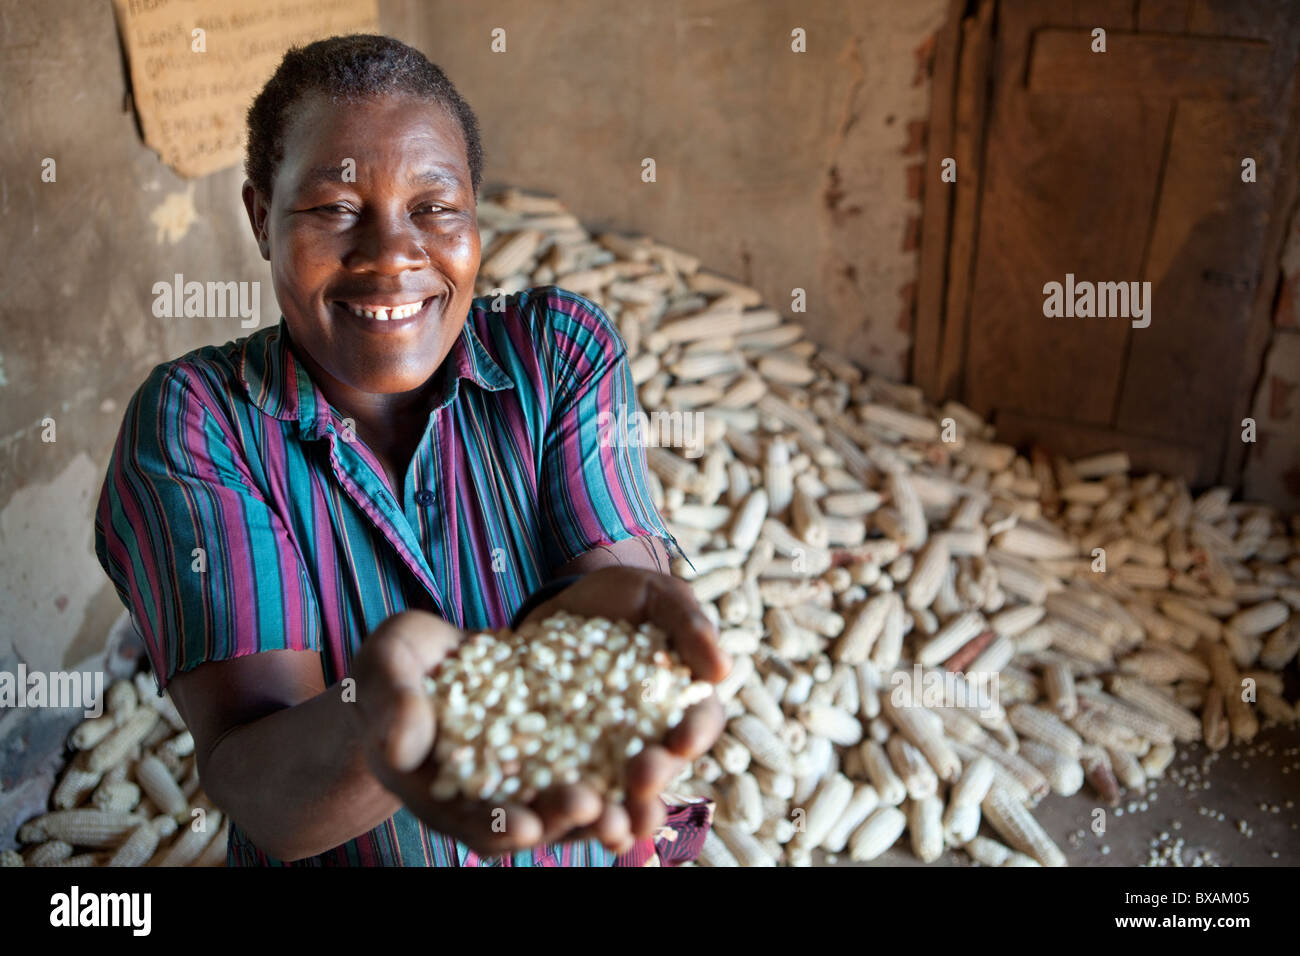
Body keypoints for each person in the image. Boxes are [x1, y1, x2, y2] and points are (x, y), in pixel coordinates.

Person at [94, 34, 728, 867]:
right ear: (259, 215)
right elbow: (263, 794)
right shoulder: (199, 424)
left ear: (474, 216)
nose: (393, 254)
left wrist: (587, 629)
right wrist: (384, 709)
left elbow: (609, 583)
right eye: (335, 209)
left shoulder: (557, 351)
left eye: (434, 208)